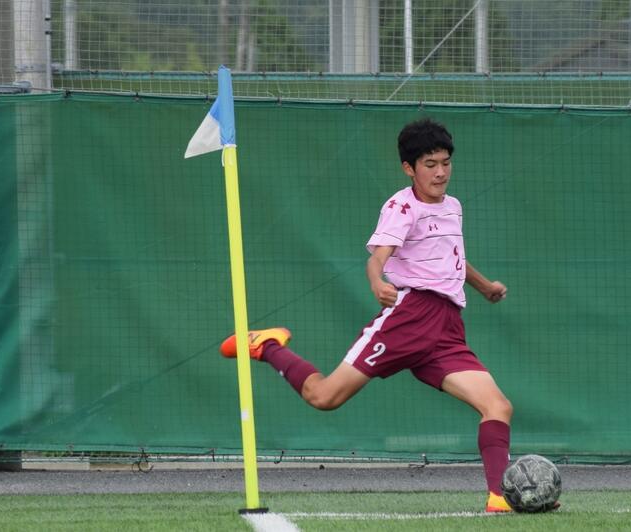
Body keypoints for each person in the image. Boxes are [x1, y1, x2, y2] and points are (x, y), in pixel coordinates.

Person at [221, 118, 518, 513]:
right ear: (409, 168)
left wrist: (484, 287)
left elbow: (452, 257)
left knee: (498, 407)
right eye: (430, 164)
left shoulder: (453, 207)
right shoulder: (401, 207)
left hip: (447, 330)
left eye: (446, 163)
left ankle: (499, 497)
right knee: (324, 397)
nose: (441, 172)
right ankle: (268, 346)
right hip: (409, 319)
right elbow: (377, 259)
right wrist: (377, 282)